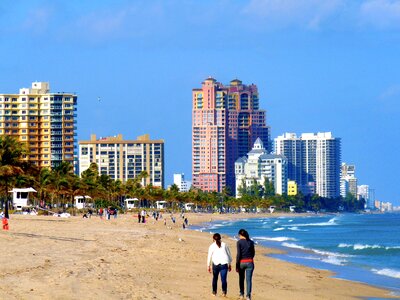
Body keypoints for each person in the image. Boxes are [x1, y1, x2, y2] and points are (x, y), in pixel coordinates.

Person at [207, 233, 232, 297]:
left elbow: (209, 256)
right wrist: (230, 264)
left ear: (213, 239)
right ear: (220, 238)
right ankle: (224, 292)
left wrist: (208, 265)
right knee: (223, 279)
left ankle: (214, 292)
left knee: (215, 278)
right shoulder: (225, 245)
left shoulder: (211, 246)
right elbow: (229, 255)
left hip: (215, 264)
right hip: (224, 264)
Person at [236, 229, 255, 300]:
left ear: (240, 235)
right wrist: (250, 259)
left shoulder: (239, 242)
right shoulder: (251, 242)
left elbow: (239, 255)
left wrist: (237, 265)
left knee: (241, 279)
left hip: (242, 262)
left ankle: (241, 294)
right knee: (248, 280)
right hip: (250, 262)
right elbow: (253, 253)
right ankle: (248, 296)